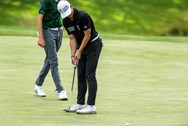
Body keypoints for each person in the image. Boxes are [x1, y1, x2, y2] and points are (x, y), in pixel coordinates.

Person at [57, 1, 103, 114]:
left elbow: (87, 35)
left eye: (69, 12)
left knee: (89, 75)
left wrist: (79, 51)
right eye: (65, 14)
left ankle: (91, 106)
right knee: (80, 74)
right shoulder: (65, 21)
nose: (68, 15)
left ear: (71, 6)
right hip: (80, 47)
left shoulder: (83, 16)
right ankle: (80, 103)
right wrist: (73, 55)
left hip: (93, 45)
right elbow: (72, 38)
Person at [34, 0, 68, 100]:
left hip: (59, 32)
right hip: (48, 31)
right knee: (54, 60)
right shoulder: (45, 1)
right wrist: (40, 37)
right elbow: (39, 19)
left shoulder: (61, 1)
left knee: (49, 59)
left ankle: (38, 84)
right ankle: (60, 89)